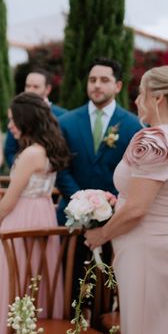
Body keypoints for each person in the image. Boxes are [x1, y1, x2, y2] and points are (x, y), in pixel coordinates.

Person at [85, 65, 168, 334]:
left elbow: (137, 208)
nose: (136, 101)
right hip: (165, 244)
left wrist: (101, 234)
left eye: (140, 94)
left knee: (146, 329)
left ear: (158, 98)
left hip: (147, 251)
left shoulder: (156, 141)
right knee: (164, 327)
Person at [0, 92, 71, 334]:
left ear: (26, 120)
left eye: (13, 120)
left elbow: (9, 200)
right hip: (43, 214)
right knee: (37, 278)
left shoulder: (30, 153)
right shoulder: (49, 148)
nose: (10, 126)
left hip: (21, 218)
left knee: (16, 278)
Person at [56, 57, 143, 224]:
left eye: (104, 80)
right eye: (92, 80)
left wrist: (111, 201)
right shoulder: (66, 123)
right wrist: (80, 201)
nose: (96, 85)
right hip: (71, 216)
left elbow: (136, 173)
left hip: (116, 217)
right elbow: (60, 168)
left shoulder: (135, 127)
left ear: (118, 86)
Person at [4, 69, 67, 167]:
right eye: (27, 86)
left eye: (35, 87)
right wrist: (21, 169)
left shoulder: (63, 116)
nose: (30, 90)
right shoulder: (16, 113)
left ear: (48, 89)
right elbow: (10, 151)